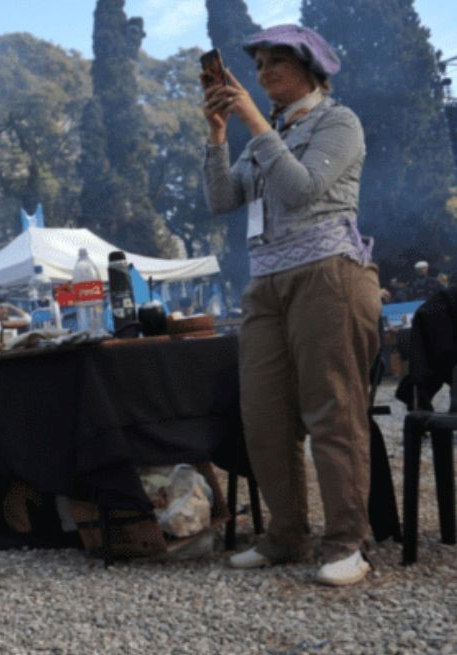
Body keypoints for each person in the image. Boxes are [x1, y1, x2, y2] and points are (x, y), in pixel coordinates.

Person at [202, 24, 381, 586]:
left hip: (328, 275)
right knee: (263, 416)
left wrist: (254, 122)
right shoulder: (268, 135)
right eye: (259, 66)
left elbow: (304, 189)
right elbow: (220, 200)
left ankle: (347, 542)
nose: (264, 74)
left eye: (278, 63)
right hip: (266, 283)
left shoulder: (339, 122)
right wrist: (215, 135)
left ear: (311, 70)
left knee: (331, 408)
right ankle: (285, 535)